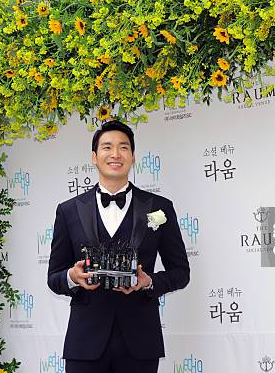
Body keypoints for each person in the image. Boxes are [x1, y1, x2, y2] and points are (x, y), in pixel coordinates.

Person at [47, 120, 190, 373]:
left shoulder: (160, 207)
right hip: (85, 342)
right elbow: (54, 277)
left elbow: (181, 273)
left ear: (133, 157)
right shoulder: (68, 210)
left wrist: (148, 282)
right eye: (107, 147)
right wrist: (72, 276)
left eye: (123, 147)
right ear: (94, 157)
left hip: (141, 341)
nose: (115, 154)